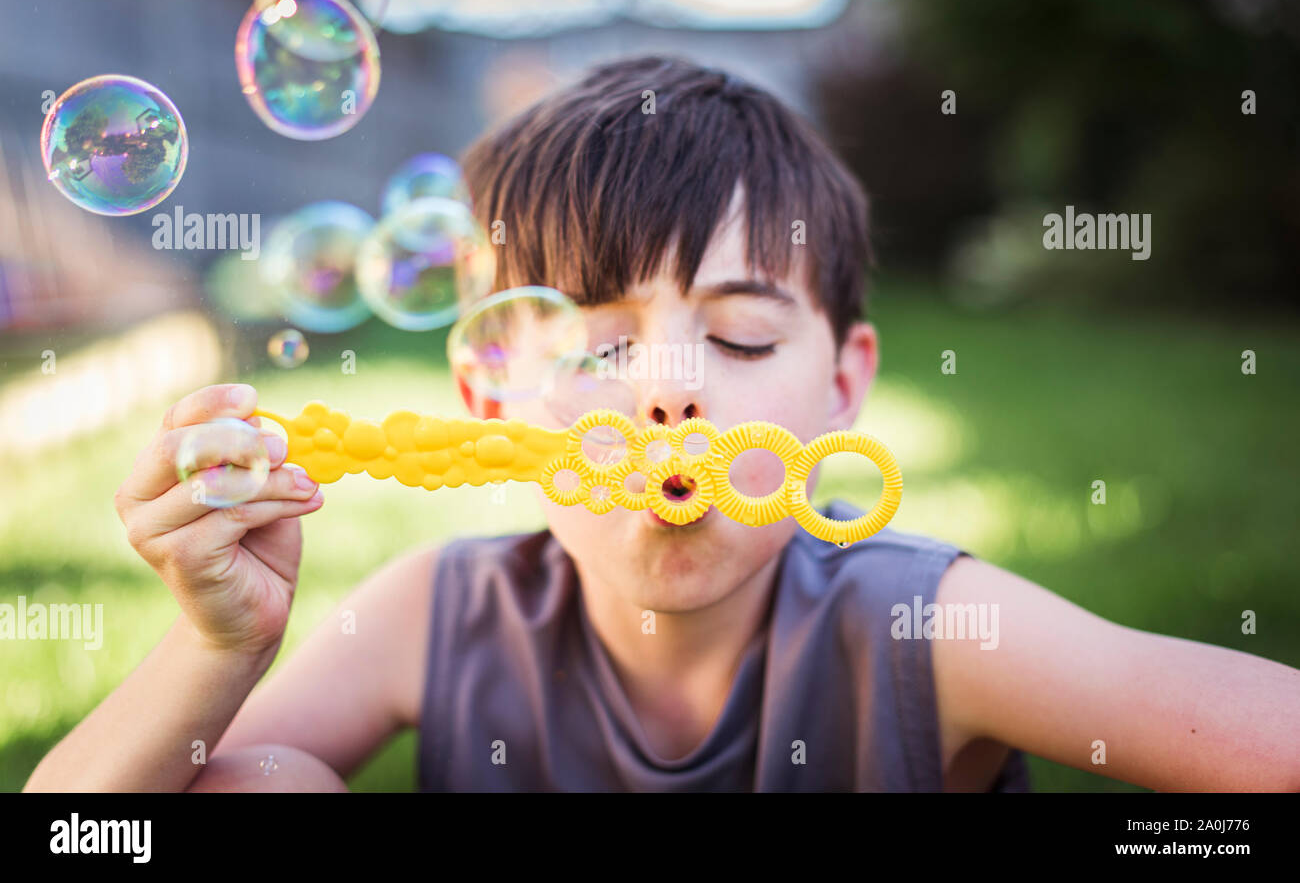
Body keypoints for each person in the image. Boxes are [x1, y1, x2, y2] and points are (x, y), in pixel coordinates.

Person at [25, 57, 1300, 792]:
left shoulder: (920, 628)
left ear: (842, 388)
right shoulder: (440, 615)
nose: (667, 392)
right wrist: (214, 648)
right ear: (486, 391)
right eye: (602, 341)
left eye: (742, 336)